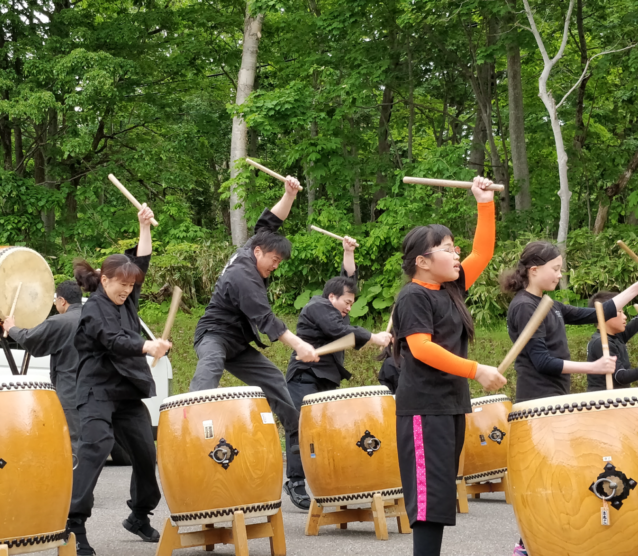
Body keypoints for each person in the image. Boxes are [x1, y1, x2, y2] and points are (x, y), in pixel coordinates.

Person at [500, 242, 638, 556]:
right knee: (548, 478)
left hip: (554, 399)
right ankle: (528, 544)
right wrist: (593, 366)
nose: (559, 275)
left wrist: (634, 288)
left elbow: (600, 312)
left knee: (563, 475)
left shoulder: (550, 305)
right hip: (536, 402)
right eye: (555, 269)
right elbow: (542, 362)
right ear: (534, 270)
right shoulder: (524, 306)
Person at [393, 177, 506, 556]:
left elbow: (483, 252)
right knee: (428, 501)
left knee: (439, 496)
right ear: (422, 262)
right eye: (446, 248)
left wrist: (484, 203)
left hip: (450, 405)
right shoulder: (413, 296)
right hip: (424, 408)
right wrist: (476, 370)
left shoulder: (452, 289)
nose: (456, 253)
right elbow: (421, 349)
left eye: (455, 246)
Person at [67, 204, 172, 556]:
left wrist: (144, 226)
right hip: (96, 389)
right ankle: (73, 526)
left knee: (145, 453)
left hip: (126, 391)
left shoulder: (127, 297)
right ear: (105, 279)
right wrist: (148, 345)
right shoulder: (93, 309)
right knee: (95, 448)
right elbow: (113, 341)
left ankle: (138, 514)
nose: (127, 290)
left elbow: (140, 262)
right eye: (121, 284)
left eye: (131, 285)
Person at [190, 176, 319, 461]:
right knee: (210, 366)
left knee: (272, 378)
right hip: (213, 334)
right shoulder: (243, 277)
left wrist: (289, 195)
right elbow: (266, 319)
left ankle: (296, 434)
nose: (275, 266)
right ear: (258, 252)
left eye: (279, 262)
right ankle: (191, 424)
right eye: (273, 260)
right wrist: (299, 345)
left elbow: (270, 221)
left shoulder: (253, 246)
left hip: (237, 343)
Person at [283, 237, 392, 509]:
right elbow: (342, 332)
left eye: (352, 302)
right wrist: (375, 338)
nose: (349, 307)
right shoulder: (318, 306)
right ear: (331, 297)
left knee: (326, 433)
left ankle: (327, 482)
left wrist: (348, 252)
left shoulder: (335, 306)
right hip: (304, 378)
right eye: (346, 301)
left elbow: (348, 279)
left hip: (326, 379)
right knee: (301, 430)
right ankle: (295, 482)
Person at [4, 280, 83, 453]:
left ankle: (76, 480)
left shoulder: (60, 322)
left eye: (56, 300)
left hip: (70, 390)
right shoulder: (95, 318)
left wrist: (11, 328)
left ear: (62, 300)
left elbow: (30, 338)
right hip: (95, 390)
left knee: (72, 441)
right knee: (90, 441)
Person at [587, 291, 638, 391]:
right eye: (620, 312)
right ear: (606, 314)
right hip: (604, 401)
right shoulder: (601, 343)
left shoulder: (617, 336)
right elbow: (620, 376)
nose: (625, 316)